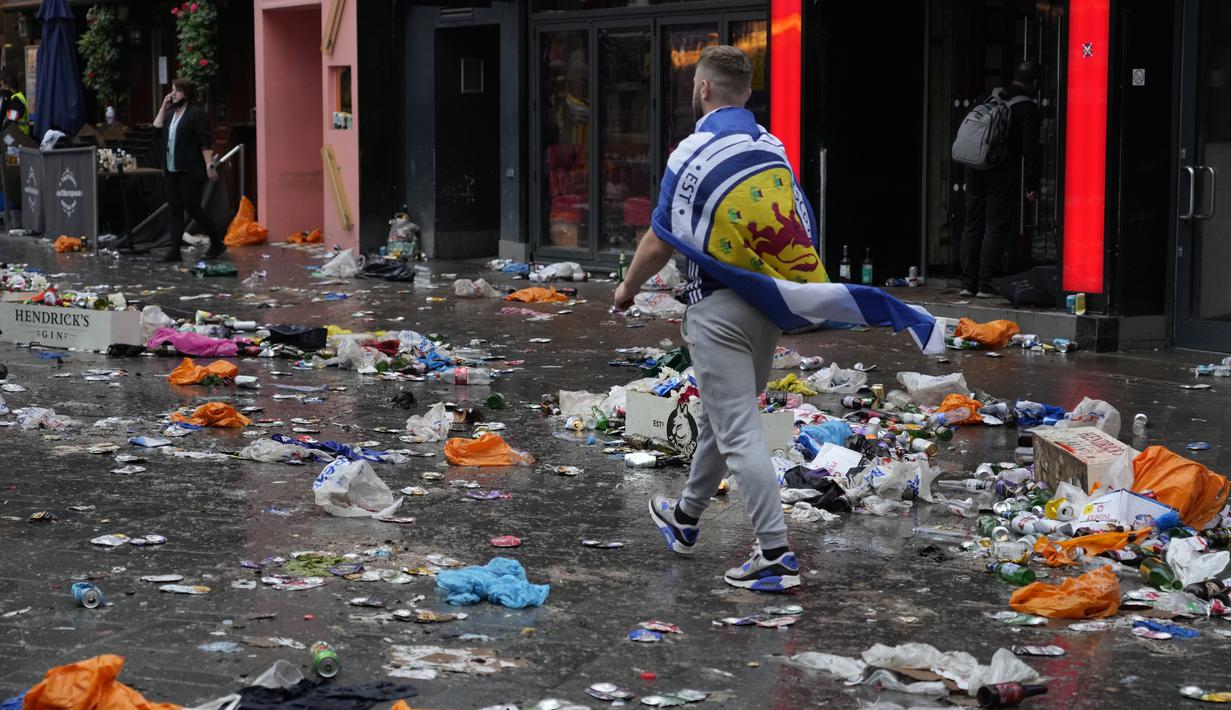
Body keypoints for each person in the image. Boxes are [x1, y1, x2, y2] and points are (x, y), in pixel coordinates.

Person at [613, 45, 801, 592]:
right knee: (727, 418)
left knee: (741, 432)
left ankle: (775, 555)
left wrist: (628, 288)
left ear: (702, 89)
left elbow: (659, 239)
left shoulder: (691, 151)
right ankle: (687, 518)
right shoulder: (774, 148)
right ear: (747, 92)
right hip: (768, 304)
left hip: (716, 308)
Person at [960, 60, 1041, 298]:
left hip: (974, 167)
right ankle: (986, 284)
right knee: (994, 227)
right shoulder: (1027, 108)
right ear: (1035, 83)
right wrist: (1032, 185)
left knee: (972, 224)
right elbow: (1030, 151)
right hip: (1002, 172)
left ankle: (967, 283)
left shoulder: (988, 96)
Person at [153, 77, 224, 262]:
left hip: (191, 170)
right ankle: (174, 250)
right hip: (171, 170)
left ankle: (217, 242)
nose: (173, 93)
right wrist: (162, 107)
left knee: (193, 209)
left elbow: (204, 142)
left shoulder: (196, 114)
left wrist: (210, 165)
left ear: (187, 93)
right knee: (175, 210)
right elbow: (156, 130)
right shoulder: (169, 114)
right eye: (172, 90)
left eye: (177, 90)